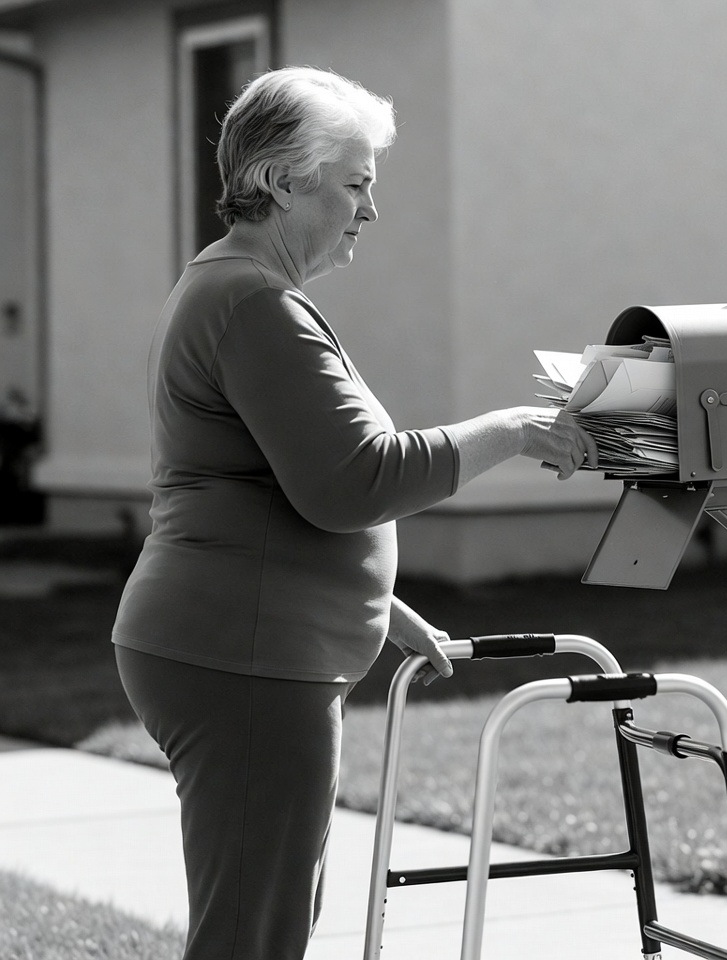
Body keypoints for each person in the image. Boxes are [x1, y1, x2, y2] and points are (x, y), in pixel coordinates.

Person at [112, 66, 597, 960]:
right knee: (251, 934)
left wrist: (377, 609)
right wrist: (512, 430)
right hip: (244, 655)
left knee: (267, 916)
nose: (371, 209)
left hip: (241, 640)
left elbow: (263, 485)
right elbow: (355, 481)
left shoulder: (236, 289)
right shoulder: (256, 304)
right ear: (280, 181)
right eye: (357, 182)